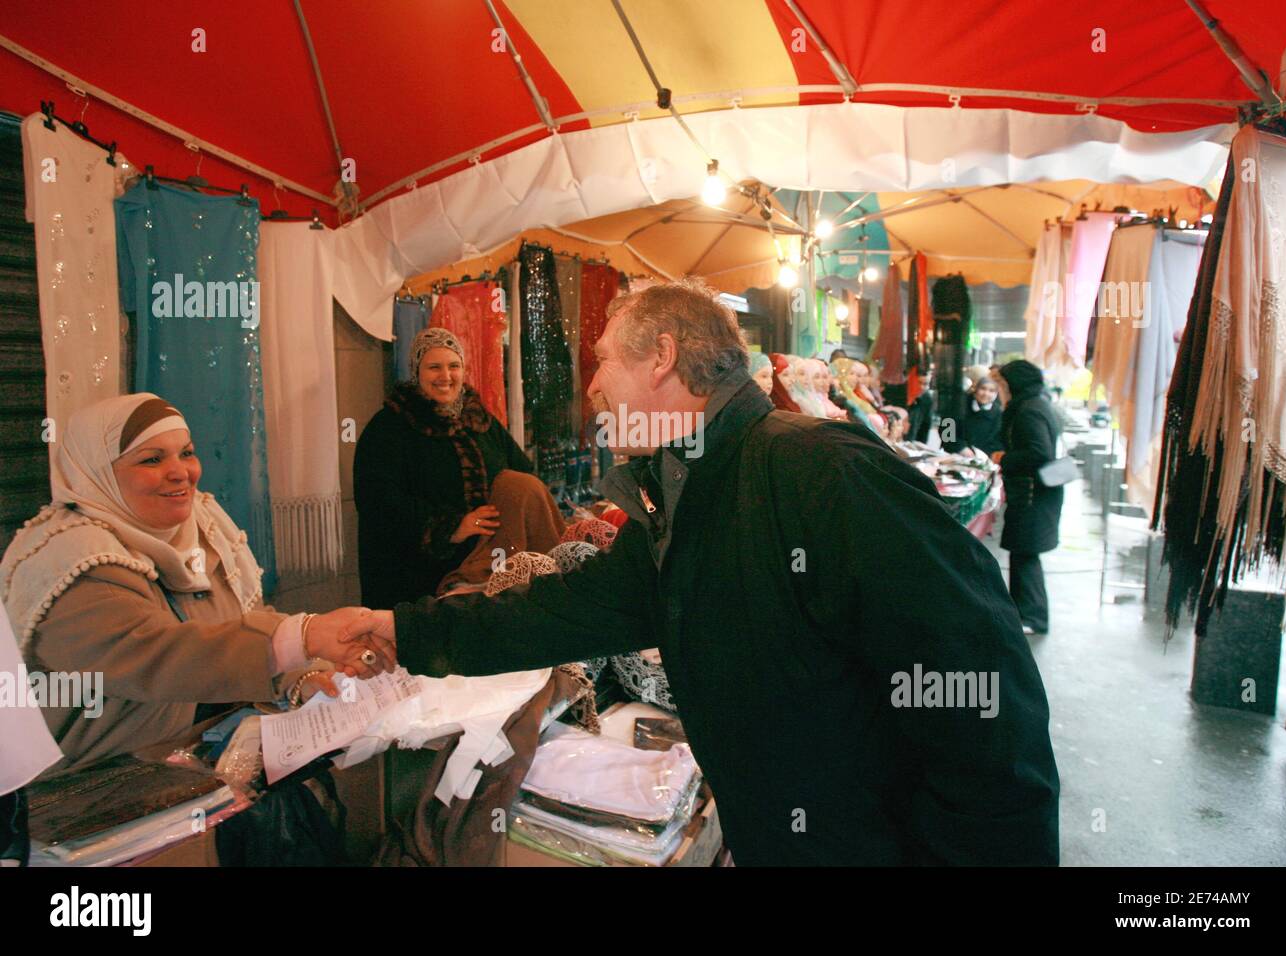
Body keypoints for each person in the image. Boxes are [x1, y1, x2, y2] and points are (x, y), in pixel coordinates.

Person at [348, 279, 1060, 866]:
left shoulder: (820, 470)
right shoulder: (676, 505)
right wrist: (394, 628)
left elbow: (983, 700)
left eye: (602, 360)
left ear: (661, 356)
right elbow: (555, 611)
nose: (591, 386)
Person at [0, 394, 385, 774]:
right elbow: (159, 658)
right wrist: (299, 638)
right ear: (97, 473)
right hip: (95, 788)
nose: (181, 472)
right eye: (152, 459)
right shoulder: (74, 562)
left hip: (190, 760)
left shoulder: (198, 526)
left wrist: (301, 678)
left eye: (186, 453)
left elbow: (240, 619)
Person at [354, 327, 564, 608]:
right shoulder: (389, 428)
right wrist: (452, 528)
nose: (445, 376)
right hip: (417, 577)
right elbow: (378, 504)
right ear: (417, 372)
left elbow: (523, 477)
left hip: (485, 573)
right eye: (434, 367)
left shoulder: (479, 420)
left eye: (454, 366)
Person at [991, 360, 1063, 636]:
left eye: (1001, 384)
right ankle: (1024, 613)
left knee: (1026, 554)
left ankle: (1032, 617)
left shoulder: (1029, 410)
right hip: (1033, 493)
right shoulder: (1033, 404)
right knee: (1023, 553)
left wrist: (1004, 458)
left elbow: (1039, 452)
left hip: (1034, 495)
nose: (999, 389)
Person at [943, 376, 1004, 456]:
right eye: (983, 388)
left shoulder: (998, 414)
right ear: (976, 389)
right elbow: (946, 431)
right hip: (952, 454)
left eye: (991, 391)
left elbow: (997, 441)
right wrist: (960, 448)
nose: (986, 394)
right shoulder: (958, 405)